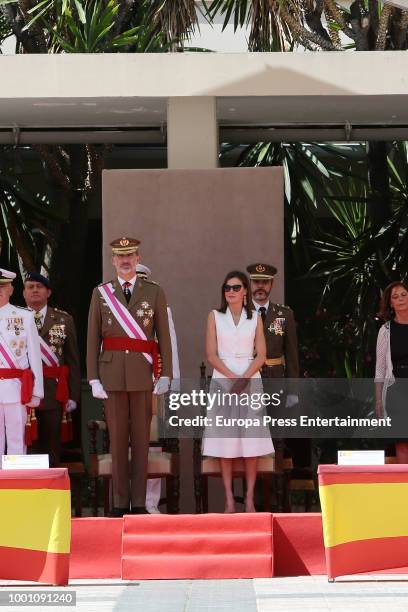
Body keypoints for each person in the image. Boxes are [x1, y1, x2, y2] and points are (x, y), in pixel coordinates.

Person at [87, 237, 172, 516]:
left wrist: (165, 374)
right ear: (113, 261)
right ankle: (119, 503)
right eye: (120, 256)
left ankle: (139, 503)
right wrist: (93, 378)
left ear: (138, 259)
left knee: (141, 442)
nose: (125, 260)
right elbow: (92, 339)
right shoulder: (101, 294)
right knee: (117, 443)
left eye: (130, 255)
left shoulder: (154, 292)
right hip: (111, 375)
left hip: (142, 373)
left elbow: (163, 337)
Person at [203, 270, 273, 513]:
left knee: (250, 442)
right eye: (227, 288)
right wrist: (232, 378)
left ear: (245, 291)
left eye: (235, 287)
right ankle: (229, 499)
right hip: (223, 380)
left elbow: (262, 354)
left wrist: (244, 378)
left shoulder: (255, 318)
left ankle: (250, 499)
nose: (230, 291)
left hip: (250, 378)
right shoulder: (214, 316)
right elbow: (211, 355)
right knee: (226, 441)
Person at [23, 272, 81, 466]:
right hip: (23, 391)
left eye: (39, 287)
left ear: (48, 292)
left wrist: (73, 395)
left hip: (53, 393)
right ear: (23, 293)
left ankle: (52, 490)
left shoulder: (64, 320)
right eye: (30, 287)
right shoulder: (15, 319)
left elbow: (72, 360)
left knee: (52, 446)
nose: (35, 290)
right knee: (26, 446)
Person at [136, 263, 180, 514]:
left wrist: (172, 385)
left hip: (153, 387)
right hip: (124, 384)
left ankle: (150, 502)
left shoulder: (162, 310)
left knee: (152, 445)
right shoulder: (113, 309)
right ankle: (129, 499)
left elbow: (170, 348)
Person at [0, 268, 43, 456]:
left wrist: (37, 391)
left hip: (16, 388)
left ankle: (16, 483)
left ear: (11, 289)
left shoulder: (24, 316)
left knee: (17, 439)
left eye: (3, 285)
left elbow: (34, 356)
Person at [375, 280, 408, 461]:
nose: (401, 299)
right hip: (397, 389)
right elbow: (380, 368)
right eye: (395, 297)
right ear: (390, 303)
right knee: (402, 443)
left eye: (404, 294)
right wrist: (379, 399)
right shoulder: (385, 330)